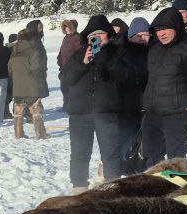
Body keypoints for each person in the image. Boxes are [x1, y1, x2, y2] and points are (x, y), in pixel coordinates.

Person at [60, 14, 141, 188]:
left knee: (110, 154)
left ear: (108, 35)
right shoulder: (79, 54)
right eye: (92, 34)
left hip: (107, 112)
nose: (96, 37)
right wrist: (83, 63)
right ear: (87, 37)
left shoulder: (118, 53)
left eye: (100, 33)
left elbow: (128, 78)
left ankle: (112, 188)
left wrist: (107, 62)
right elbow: (65, 78)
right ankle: (79, 189)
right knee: (80, 154)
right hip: (80, 113)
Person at [142, 7, 187, 167]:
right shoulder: (154, 49)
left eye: (166, 28)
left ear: (177, 27)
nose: (161, 33)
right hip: (152, 113)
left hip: (176, 115)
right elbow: (150, 80)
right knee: (152, 157)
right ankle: (155, 184)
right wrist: (144, 105)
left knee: (176, 160)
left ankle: (177, 183)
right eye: (158, 29)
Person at [119, 17, 152, 171]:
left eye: (146, 35)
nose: (142, 38)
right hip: (127, 105)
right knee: (126, 139)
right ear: (130, 36)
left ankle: (141, 168)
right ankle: (124, 167)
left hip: (147, 104)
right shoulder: (122, 52)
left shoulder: (153, 52)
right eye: (138, 35)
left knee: (144, 141)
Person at [9, 20, 49, 139]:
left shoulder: (14, 52)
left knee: (18, 112)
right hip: (32, 86)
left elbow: (10, 69)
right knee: (36, 111)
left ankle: (18, 134)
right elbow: (36, 69)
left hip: (17, 87)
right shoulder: (33, 51)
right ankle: (41, 135)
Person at [58, 18, 83, 103]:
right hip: (64, 68)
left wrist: (73, 64)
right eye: (64, 27)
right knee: (64, 89)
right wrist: (59, 60)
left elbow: (79, 53)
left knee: (72, 90)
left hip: (72, 68)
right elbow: (61, 51)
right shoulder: (66, 38)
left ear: (73, 27)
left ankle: (72, 105)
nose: (66, 28)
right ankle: (66, 105)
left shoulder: (77, 38)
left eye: (68, 26)